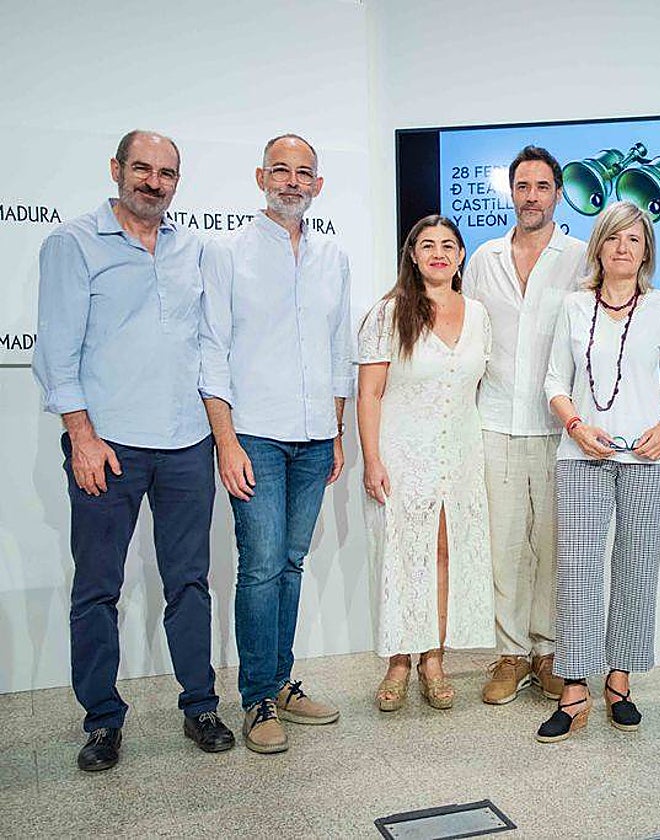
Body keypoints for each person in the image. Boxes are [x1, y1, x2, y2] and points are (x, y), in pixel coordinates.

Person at [32, 130, 234, 771]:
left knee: (191, 584)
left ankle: (199, 705)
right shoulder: (73, 243)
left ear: (178, 182)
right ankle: (101, 721)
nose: (154, 181)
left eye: (166, 172)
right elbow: (56, 352)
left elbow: (206, 348)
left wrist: (218, 434)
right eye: (142, 169)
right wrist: (82, 437)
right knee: (97, 589)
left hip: (185, 445)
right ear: (116, 169)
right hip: (108, 447)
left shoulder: (192, 249)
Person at [199, 134, 353, 754]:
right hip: (255, 437)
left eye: (304, 173)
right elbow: (211, 347)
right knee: (260, 567)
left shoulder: (333, 257)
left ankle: (282, 681)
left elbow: (339, 348)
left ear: (318, 185)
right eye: (281, 170)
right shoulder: (227, 251)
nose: (292, 181)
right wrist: (225, 440)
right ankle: (258, 696)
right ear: (261, 176)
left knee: (291, 563)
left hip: (317, 440)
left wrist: (338, 432)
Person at [536, 200, 660, 743]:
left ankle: (619, 681)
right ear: (598, 246)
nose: (623, 249)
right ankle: (574, 688)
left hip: (650, 458)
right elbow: (555, 381)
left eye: (635, 240)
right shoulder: (575, 306)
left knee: (635, 568)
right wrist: (577, 427)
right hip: (582, 455)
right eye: (613, 239)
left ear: (646, 250)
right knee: (577, 571)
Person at [463, 146, 587, 706]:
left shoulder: (583, 257)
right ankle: (510, 653)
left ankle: (548, 651)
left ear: (558, 192)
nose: (531, 196)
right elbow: (465, 335)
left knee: (555, 545)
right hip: (494, 420)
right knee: (506, 544)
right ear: (510, 192)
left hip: (563, 426)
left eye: (541, 186)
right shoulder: (484, 256)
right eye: (522, 186)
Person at [358, 215, 494, 712]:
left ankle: (433, 660)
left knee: (443, 552)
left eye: (449, 245)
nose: (438, 253)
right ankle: (397, 661)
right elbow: (369, 393)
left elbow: (476, 384)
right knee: (400, 552)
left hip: (459, 452)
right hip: (401, 450)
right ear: (412, 255)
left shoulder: (478, 314)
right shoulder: (388, 313)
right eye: (427, 245)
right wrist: (371, 459)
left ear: (460, 256)